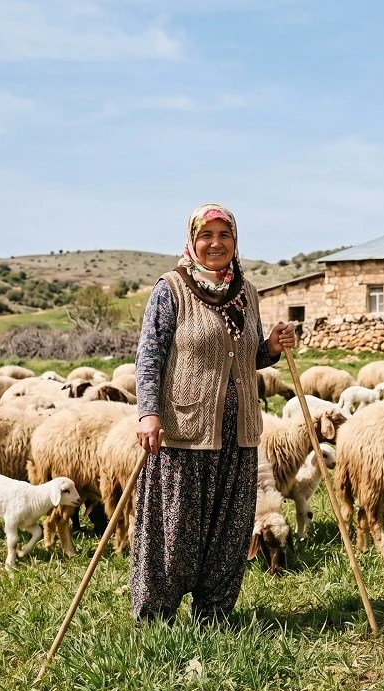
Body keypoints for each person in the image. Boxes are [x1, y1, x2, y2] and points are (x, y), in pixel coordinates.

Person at [132, 202, 296, 625]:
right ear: (192, 240)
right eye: (207, 235)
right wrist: (148, 413)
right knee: (174, 533)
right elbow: (150, 355)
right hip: (185, 431)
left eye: (225, 236)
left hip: (239, 436)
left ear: (235, 241)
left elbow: (246, 356)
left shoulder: (247, 293)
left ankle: (215, 618)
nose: (215, 244)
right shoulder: (171, 289)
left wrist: (271, 347)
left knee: (228, 533)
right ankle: (155, 619)